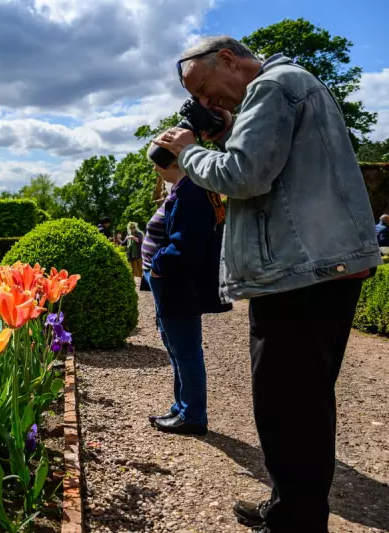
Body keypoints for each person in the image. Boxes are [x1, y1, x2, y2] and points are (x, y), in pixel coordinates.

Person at [153, 36, 382, 533]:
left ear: (229, 60)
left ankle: (294, 522)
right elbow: (274, 165)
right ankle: (291, 507)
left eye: (203, 87)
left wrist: (189, 151)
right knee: (300, 403)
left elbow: (245, 174)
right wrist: (231, 130)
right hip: (315, 269)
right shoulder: (292, 84)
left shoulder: (274, 86)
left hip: (301, 275)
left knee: (288, 407)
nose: (204, 102)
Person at [142, 161, 232, 436]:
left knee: (186, 351)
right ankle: (182, 407)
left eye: (157, 162)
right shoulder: (186, 188)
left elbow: (186, 246)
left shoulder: (192, 191)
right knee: (177, 349)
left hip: (177, 284)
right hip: (171, 284)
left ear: (172, 162)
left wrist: (157, 265)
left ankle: (192, 415)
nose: (155, 169)